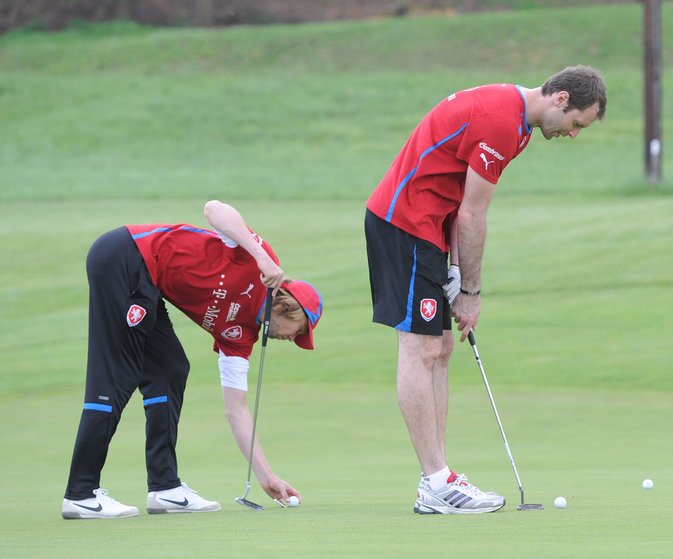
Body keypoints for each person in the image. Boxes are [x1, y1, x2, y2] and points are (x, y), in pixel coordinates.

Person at [364, 65, 607, 513]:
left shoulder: (516, 121)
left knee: (440, 348)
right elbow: (473, 215)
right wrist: (471, 292)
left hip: (427, 228)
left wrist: (455, 269)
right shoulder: (500, 122)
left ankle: (440, 478)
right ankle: (435, 483)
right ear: (560, 99)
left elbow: (459, 203)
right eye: (576, 125)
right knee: (419, 349)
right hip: (405, 223)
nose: (573, 135)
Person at [62, 200, 324, 519]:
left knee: (169, 370)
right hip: (126, 255)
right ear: (290, 307)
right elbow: (214, 209)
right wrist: (261, 257)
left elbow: (236, 409)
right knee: (119, 375)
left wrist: (266, 476)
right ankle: (81, 493)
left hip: (147, 284)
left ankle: (165, 488)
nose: (291, 339)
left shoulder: (242, 338)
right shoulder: (258, 261)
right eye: (298, 332)